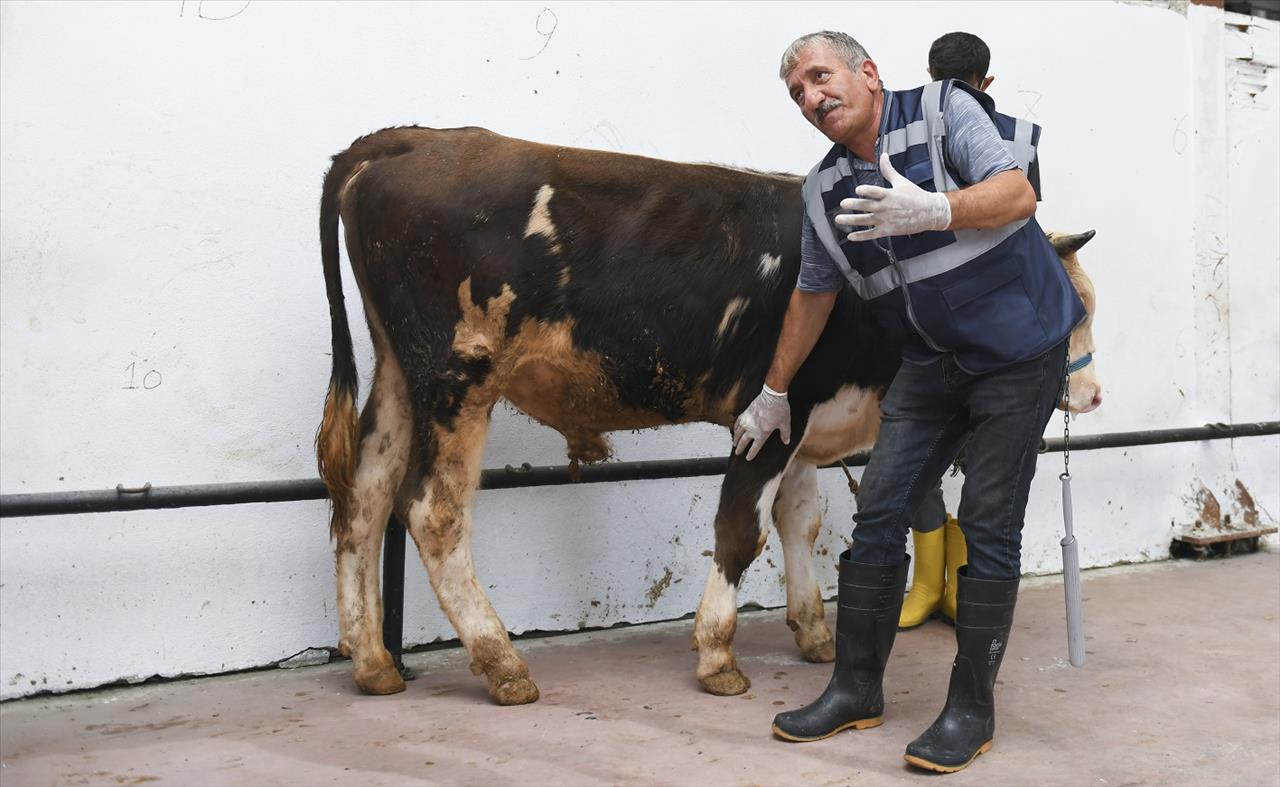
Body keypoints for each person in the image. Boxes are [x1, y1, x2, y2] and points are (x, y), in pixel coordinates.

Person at [734, 31, 1083, 773]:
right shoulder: (823, 188)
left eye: (819, 77)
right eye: (796, 92)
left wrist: (937, 210)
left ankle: (970, 708)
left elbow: (1017, 193)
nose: (810, 97)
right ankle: (856, 687)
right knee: (882, 507)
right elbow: (814, 293)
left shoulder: (944, 109)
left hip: (1022, 352)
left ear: (866, 73)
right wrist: (772, 391)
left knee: (989, 521)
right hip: (930, 363)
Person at [900, 31, 1012, 632]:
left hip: (980, 332)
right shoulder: (1012, 136)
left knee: (936, 467)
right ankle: (931, 583)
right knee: (953, 464)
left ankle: (947, 588)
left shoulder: (912, 133)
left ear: (929, 72)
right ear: (985, 80)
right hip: (955, 328)